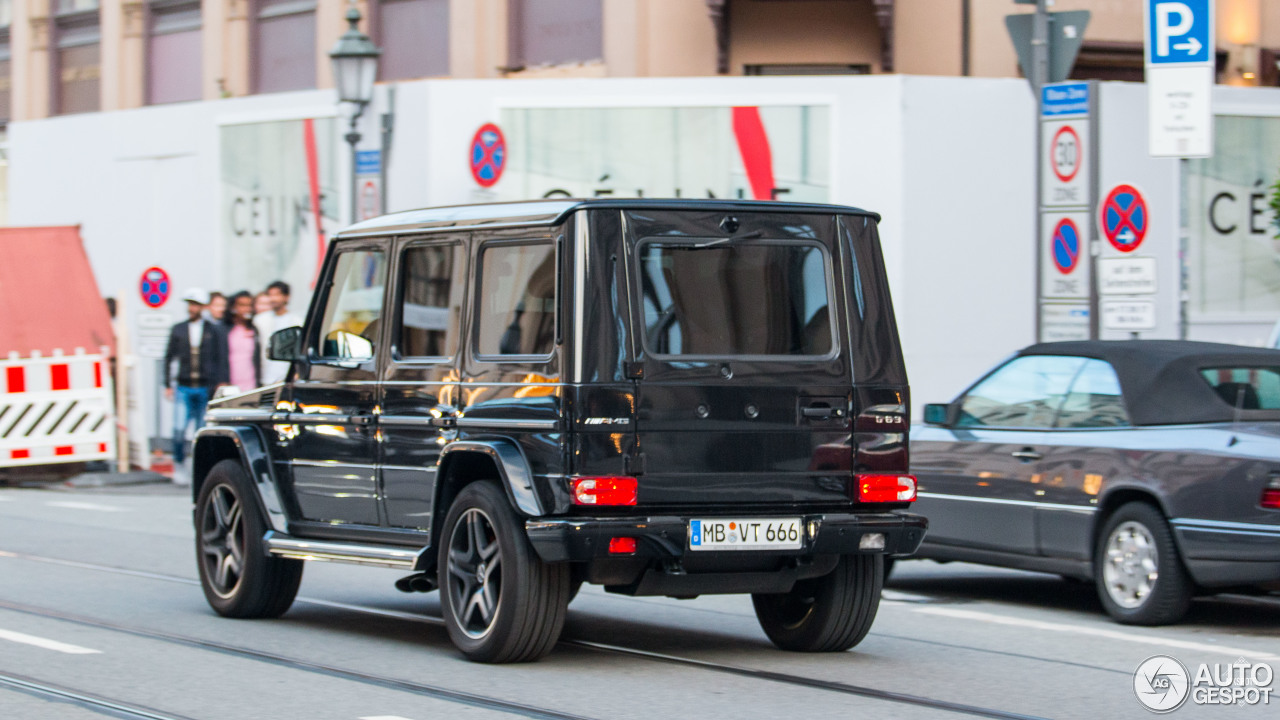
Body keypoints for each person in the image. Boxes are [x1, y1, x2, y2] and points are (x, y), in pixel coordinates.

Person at [164, 289, 229, 472]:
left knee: (200, 431)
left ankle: (197, 466)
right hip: (184, 386)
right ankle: (179, 463)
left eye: (196, 304)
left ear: (203, 307)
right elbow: (169, 357)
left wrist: (221, 381)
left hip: (204, 386)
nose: (192, 308)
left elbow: (220, 357)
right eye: (190, 304)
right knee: (178, 429)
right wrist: (168, 384)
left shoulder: (212, 330)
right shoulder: (179, 329)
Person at [253, 280, 304, 384]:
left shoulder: (297, 322)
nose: (273, 299)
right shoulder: (259, 320)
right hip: (264, 378)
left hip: (287, 379)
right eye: (270, 295)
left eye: (277, 294)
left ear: (286, 297)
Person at [225, 291, 261, 392]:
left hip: (250, 383)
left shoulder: (254, 329)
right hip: (230, 383)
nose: (246, 309)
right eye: (242, 305)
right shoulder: (225, 329)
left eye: (249, 305)